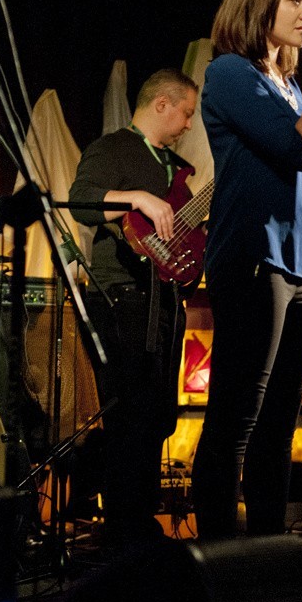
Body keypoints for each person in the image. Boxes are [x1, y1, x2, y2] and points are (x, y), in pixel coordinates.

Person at [190, 0, 302, 539]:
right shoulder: (231, 74)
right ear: (262, 3)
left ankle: (266, 551)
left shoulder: (288, 86)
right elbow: (292, 150)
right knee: (236, 419)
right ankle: (216, 556)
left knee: (281, 424)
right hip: (252, 261)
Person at [69, 67, 199, 547]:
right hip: (120, 295)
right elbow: (80, 202)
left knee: (159, 417)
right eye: (185, 113)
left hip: (165, 300)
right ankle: (124, 532)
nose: (189, 124)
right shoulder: (112, 148)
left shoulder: (176, 166)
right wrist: (136, 198)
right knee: (130, 415)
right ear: (161, 104)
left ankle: (139, 529)